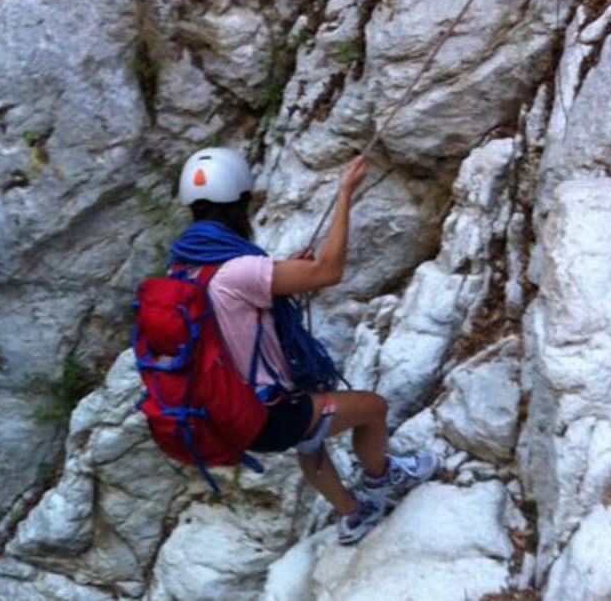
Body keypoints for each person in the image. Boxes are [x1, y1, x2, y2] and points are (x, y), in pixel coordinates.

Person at [168, 147, 436, 545]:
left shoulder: (183, 270)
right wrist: (346, 192)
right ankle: (383, 477)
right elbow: (328, 272)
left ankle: (354, 515)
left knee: (310, 442)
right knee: (372, 410)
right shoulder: (238, 270)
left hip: (227, 414)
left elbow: (237, 302)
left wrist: (282, 272)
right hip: (269, 413)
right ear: (240, 202)